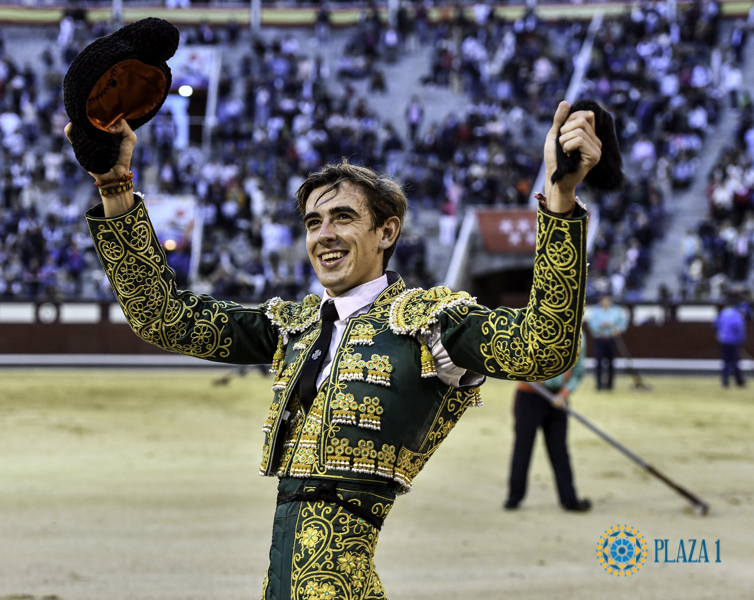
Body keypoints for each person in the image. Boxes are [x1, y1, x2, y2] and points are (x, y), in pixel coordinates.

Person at [67, 99, 601, 599]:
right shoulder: (293, 325)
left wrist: (561, 201)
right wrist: (116, 186)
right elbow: (166, 319)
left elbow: (545, 347)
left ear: (387, 231)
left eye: (343, 217)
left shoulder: (432, 323)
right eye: (313, 222)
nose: (324, 234)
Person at [504, 333, 591, 512]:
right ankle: (514, 498)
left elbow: (578, 372)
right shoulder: (531, 328)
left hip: (558, 398)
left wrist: (565, 394)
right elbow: (515, 359)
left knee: (559, 450)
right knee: (523, 447)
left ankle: (569, 499)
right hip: (529, 395)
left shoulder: (578, 337)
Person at [586, 293, 628, 390]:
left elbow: (622, 324)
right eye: (603, 300)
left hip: (611, 339)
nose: (605, 302)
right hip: (599, 339)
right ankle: (599, 384)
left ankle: (610, 384)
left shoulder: (616, 311)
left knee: (611, 362)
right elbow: (591, 325)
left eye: (607, 300)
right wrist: (601, 325)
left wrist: (618, 329)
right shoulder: (596, 311)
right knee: (598, 362)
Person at [715, 302, 748, 388]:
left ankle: (725, 381)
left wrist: (718, 334)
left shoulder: (725, 312)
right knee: (735, 362)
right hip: (733, 342)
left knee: (726, 361)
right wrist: (740, 343)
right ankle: (739, 381)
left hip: (724, 341)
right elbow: (740, 331)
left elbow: (715, 324)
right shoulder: (738, 317)